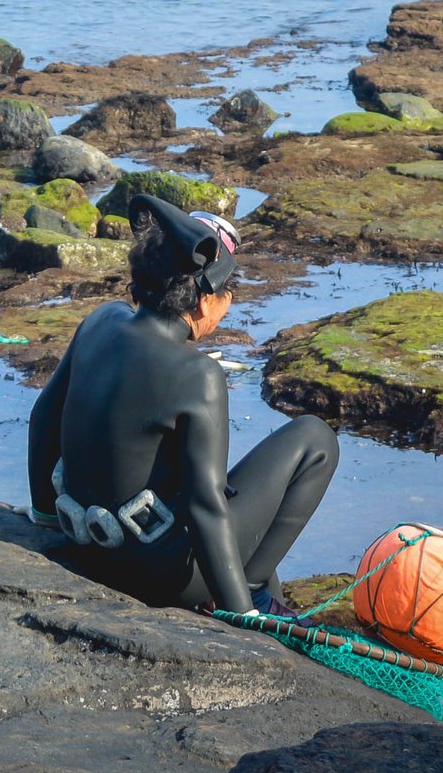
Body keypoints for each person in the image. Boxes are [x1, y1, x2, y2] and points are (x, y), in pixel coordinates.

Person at [25, 195, 338, 616]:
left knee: (229, 496)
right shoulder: (198, 375)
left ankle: (255, 586)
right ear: (206, 301)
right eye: (229, 295)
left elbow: (43, 418)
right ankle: (252, 590)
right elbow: (204, 505)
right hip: (160, 576)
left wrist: (46, 514)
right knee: (316, 438)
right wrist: (240, 615)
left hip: (85, 545)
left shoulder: (101, 321)